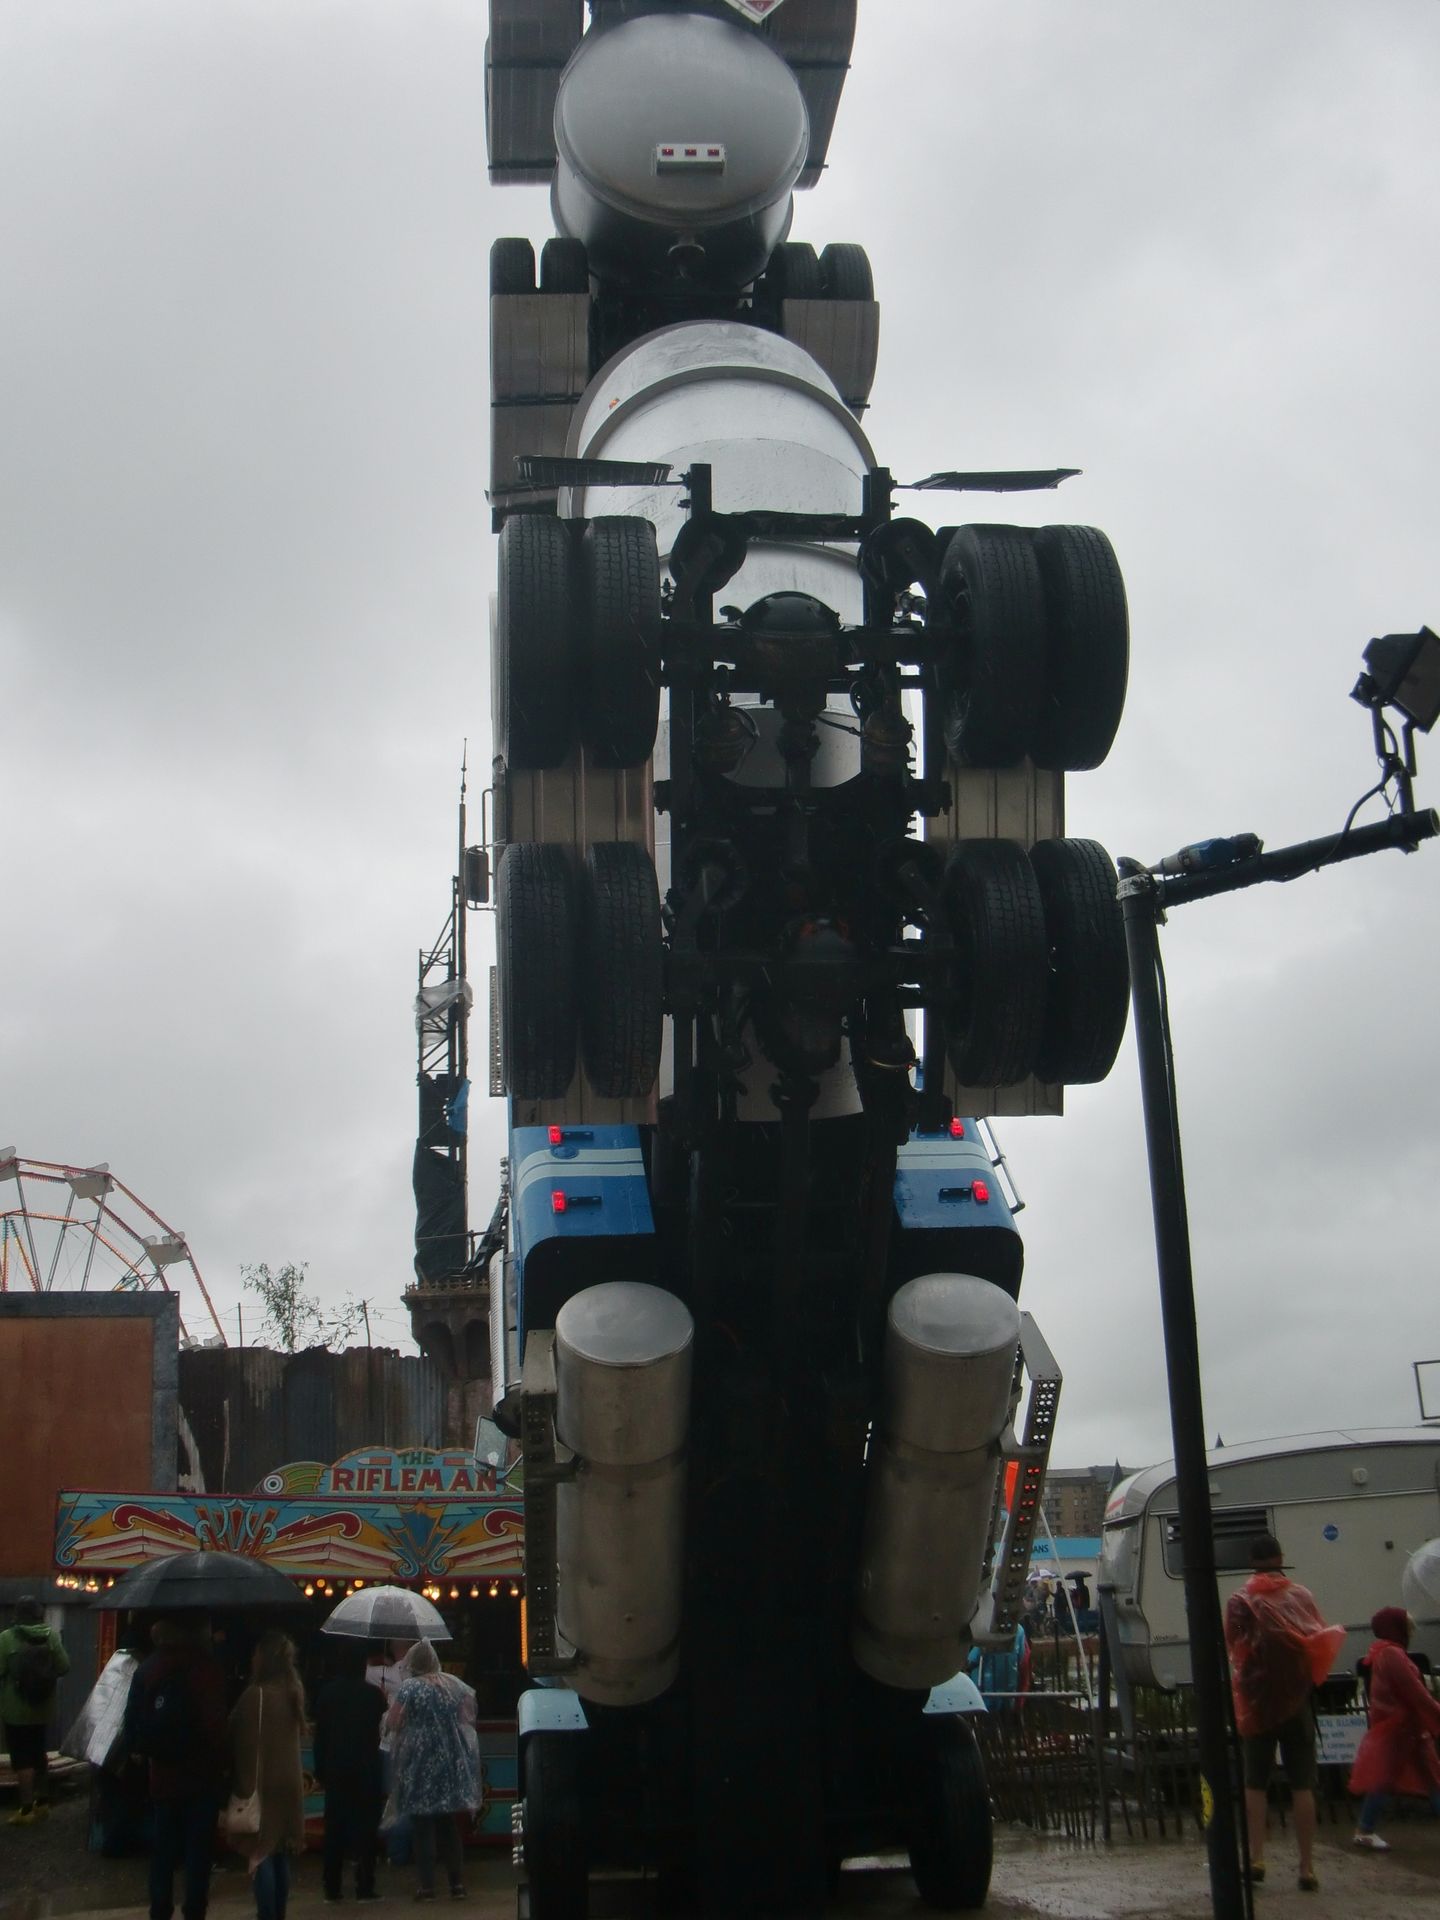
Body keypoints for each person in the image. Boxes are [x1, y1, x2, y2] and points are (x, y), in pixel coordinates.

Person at [1224, 1532, 1345, 1894]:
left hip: (1256, 1704)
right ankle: (1307, 1867)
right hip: (1296, 1702)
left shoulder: (1239, 1601)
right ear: (1281, 1559)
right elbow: (1317, 1640)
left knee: (1255, 1783)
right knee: (1303, 1784)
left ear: (1251, 1563)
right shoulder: (1301, 1596)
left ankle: (1256, 1858)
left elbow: (1233, 1645)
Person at [124, 1617, 229, 1920]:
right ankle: (195, 1909)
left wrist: (142, 1752)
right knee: (199, 1851)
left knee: (163, 1850)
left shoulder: (148, 1669)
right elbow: (217, 1725)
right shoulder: (207, 1669)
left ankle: (160, 1909)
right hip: (202, 1776)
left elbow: (132, 1723)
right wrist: (223, 1764)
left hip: (163, 1776)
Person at [385, 1639, 478, 1901]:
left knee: (422, 1825)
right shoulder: (454, 1685)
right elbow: (467, 1718)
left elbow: (394, 1721)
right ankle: (457, 1884)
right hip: (449, 1760)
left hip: (418, 1762)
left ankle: (427, 1887)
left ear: (413, 1663)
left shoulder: (410, 1688)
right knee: (448, 1824)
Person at [229, 1630, 307, 1920]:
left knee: (260, 1851)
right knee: (280, 1849)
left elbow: (234, 1732)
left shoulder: (255, 1696)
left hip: (262, 1783)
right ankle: (280, 1912)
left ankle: (267, 1913)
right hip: (290, 1782)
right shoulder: (293, 1692)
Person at [1349, 1606, 1440, 1850]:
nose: (1411, 1632)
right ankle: (1364, 1830)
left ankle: (1365, 1829)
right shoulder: (1393, 1655)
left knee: (1389, 1778)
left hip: (1400, 1728)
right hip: (1404, 1729)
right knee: (1427, 1777)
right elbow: (1416, 1693)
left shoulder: (1382, 1653)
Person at [314, 1642, 387, 1900]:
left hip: (336, 1768)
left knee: (334, 1828)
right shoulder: (373, 1695)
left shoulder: (327, 1694)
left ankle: (332, 1885)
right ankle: (365, 1884)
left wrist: (320, 1770)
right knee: (366, 1829)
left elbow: (320, 1737)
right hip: (366, 1769)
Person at [0, 1595, 70, 1825]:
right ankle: (43, 1802)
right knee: (39, 1752)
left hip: (16, 1710)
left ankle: (26, 1808)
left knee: (22, 1758)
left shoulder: (6, 1638)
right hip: (44, 1707)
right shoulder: (51, 1636)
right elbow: (64, 1667)